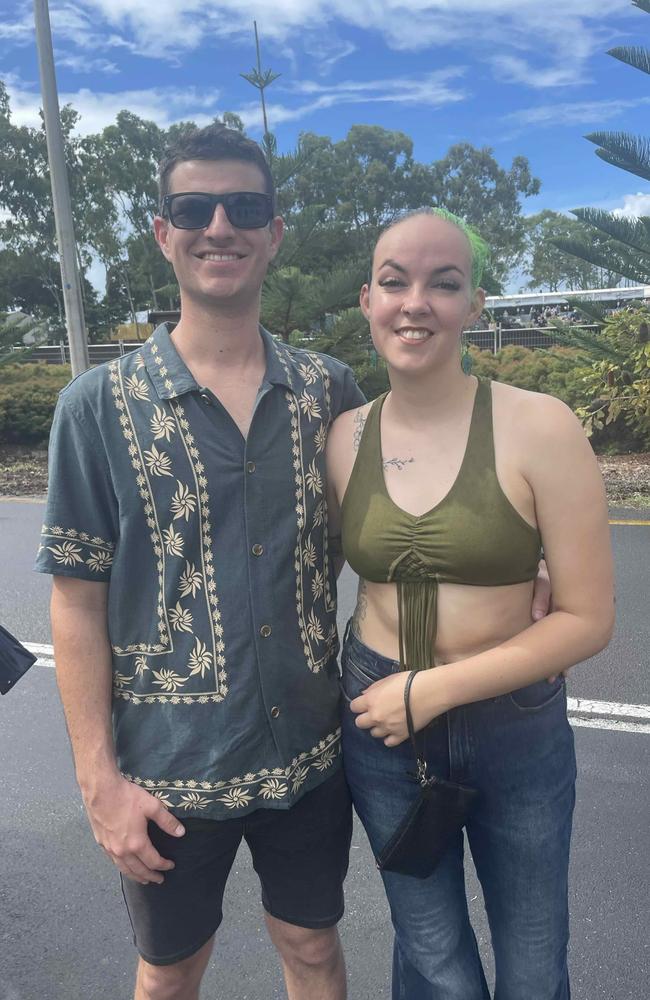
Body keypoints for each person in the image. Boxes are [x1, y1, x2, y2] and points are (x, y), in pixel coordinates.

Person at [35, 124, 366, 1000]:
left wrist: (519, 565)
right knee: (170, 973)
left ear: (275, 231)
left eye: (244, 207)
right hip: (167, 769)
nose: (220, 226)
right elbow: (75, 601)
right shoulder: (97, 406)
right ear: (162, 231)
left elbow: (397, 525)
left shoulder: (330, 391)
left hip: (307, 753)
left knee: (315, 949)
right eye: (194, 208)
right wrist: (98, 780)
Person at [325, 208, 614, 1000]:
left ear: (475, 306)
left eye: (443, 284)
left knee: (531, 958)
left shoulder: (539, 427)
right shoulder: (341, 438)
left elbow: (588, 617)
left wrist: (434, 690)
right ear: (366, 300)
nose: (415, 302)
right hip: (379, 725)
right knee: (433, 959)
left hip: (510, 725)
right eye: (395, 282)